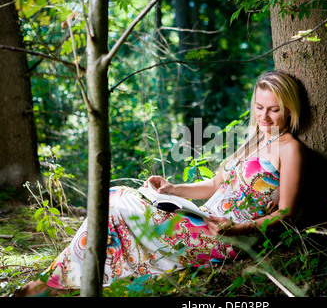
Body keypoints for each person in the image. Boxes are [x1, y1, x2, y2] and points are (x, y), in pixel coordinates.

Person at [16, 70, 305, 296]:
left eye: (274, 110)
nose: (264, 117)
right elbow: (215, 183)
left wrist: (240, 227)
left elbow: (286, 212)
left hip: (228, 236)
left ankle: (52, 285)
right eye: (259, 107)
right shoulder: (253, 143)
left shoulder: (290, 149)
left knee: (116, 201)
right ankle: (60, 284)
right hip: (202, 219)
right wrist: (171, 189)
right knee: (117, 196)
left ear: (290, 109)